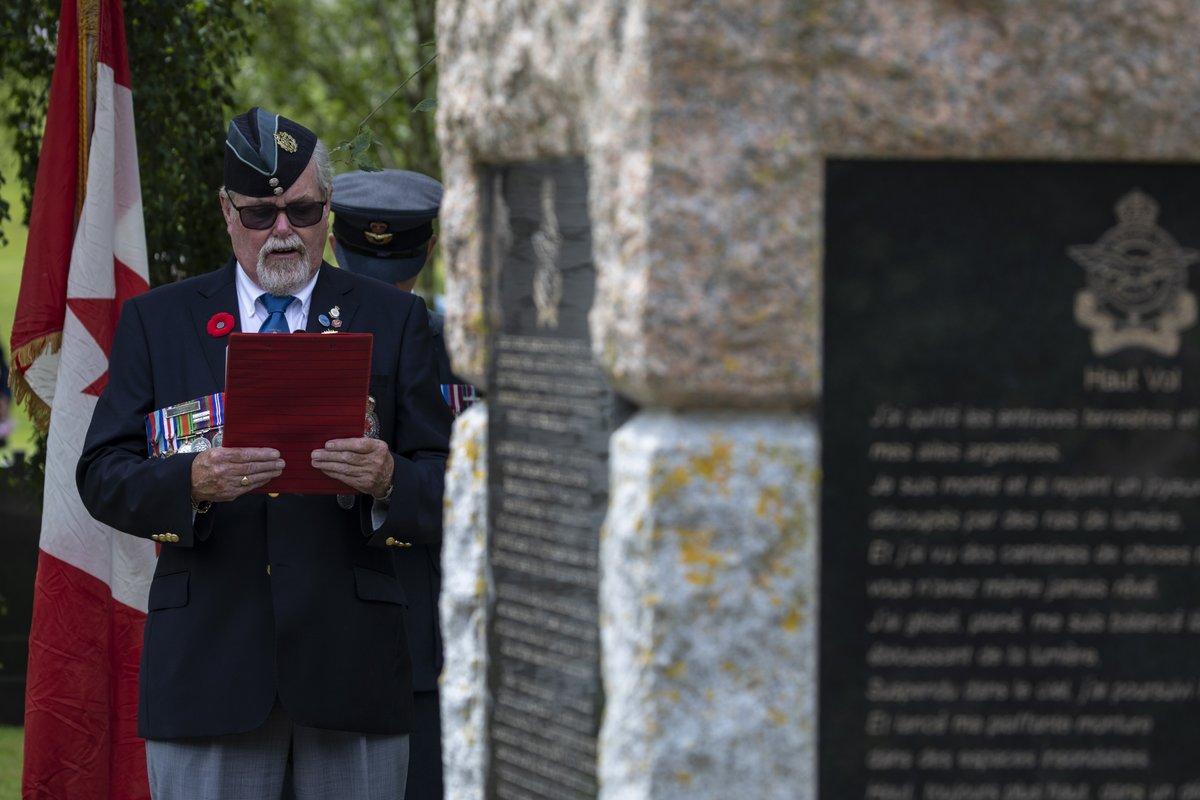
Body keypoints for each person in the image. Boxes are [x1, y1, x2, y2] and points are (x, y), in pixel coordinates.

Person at [76, 107, 453, 800]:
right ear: (227, 212)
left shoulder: (394, 320)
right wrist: (189, 481)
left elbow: (451, 485)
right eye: (260, 215)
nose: (284, 231)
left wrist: (390, 478)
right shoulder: (160, 321)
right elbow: (101, 474)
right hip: (209, 668)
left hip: (352, 667)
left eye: (303, 211)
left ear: (328, 210)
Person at [329, 168, 476, 800]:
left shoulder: (295, 343)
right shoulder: (470, 359)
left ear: (334, 242)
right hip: (422, 635)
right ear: (430, 248)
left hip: (343, 635)